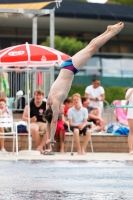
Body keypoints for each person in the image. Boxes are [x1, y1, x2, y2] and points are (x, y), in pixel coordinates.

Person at [45, 22, 124, 145]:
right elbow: (48, 122)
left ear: (55, 111)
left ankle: (112, 32)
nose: (62, 111)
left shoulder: (55, 102)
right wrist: (49, 137)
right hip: (67, 67)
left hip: (70, 68)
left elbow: (53, 121)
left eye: (60, 113)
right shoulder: (49, 102)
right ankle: (108, 31)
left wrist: (50, 139)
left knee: (92, 49)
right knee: (91, 46)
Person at [22, 89, 50, 154]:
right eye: (36, 95)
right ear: (34, 96)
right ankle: (40, 147)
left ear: (42, 97)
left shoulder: (46, 105)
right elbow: (23, 117)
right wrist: (31, 119)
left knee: (49, 128)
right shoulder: (29, 105)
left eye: (40, 95)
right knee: (34, 128)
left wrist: (46, 118)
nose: (38, 97)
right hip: (33, 123)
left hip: (43, 123)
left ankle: (40, 147)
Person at [125, 88, 133, 155]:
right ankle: (131, 149)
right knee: (132, 131)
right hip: (131, 113)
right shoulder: (130, 90)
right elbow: (127, 99)